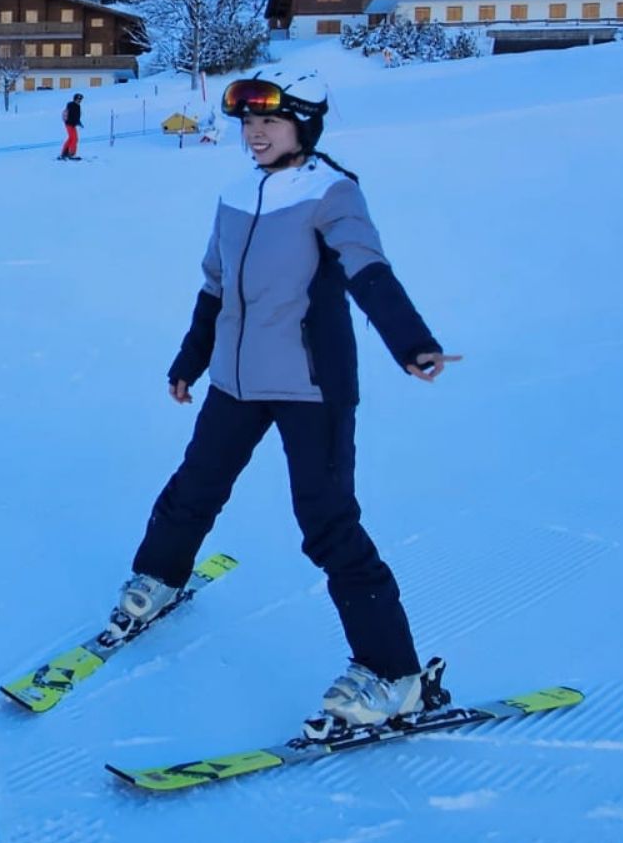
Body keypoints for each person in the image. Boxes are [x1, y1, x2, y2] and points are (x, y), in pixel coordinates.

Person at [112, 70, 460, 731]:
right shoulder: (237, 192)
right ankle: (159, 578)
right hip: (236, 382)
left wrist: (411, 341)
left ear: (305, 125)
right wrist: (192, 359)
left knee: (328, 524)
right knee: (195, 486)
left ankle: (395, 674)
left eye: (270, 122)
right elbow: (216, 287)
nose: (255, 134)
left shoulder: (332, 192)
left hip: (311, 387)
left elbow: (368, 270)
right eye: (247, 124)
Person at [60, 92, 84, 160]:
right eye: (78, 99)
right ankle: (71, 154)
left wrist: (79, 122)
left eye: (80, 99)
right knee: (74, 139)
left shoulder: (77, 106)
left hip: (72, 124)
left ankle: (64, 153)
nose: (79, 101)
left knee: (71, 138)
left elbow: (76, 116)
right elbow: (71, 116)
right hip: (69, 124)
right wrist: (76, 122)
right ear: (75, 99)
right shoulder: (72, 106)